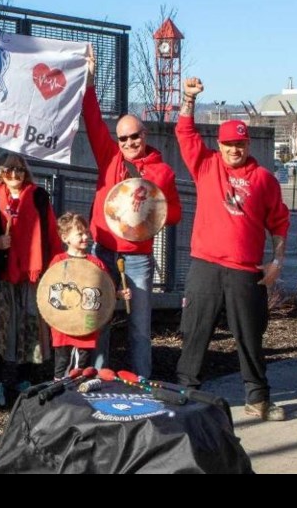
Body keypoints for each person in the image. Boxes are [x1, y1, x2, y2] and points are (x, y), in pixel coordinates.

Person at [174, 77, 290, 421]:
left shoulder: (264, 179)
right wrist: (189, 99)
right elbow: (184, 133)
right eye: (228, 144)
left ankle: (258, 398)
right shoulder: (206, 165)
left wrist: (277, 262)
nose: (233, 150)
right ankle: (185, 394)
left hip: (245, 270)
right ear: (219, 145)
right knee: (195, 332)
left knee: (250, 336)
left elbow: (279, 224)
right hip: (206, 265)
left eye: (239, 143)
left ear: (248, 143)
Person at [82, 50, 182, 379]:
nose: (129, 142)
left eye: (134, 136)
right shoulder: (109, 157)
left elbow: (175, 214)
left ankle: (142, 381)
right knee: (101, 320)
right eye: (123, 138)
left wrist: (149, 216)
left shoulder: (163, 172)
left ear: (145, 135)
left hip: (138, 257)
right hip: (103, 250)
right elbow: (92, 118)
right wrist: (90, 78)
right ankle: (98, 377)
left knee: (140, 326)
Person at [0, 153, 59, 406]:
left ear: (26, 172)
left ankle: (25, 379)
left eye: (19, 169)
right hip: (1, 273)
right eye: (8, 170)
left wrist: (57, 265)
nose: (14, 174)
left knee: (30, 325)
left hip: (31, 271)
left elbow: (51, 233)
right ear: (0, 172)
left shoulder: (39, 197)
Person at [47, 213, 130, 380]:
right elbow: (49, 289)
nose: (85, 237)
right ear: (65, 238)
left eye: (86, 232)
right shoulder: (59, 261)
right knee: (62, 359)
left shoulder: (95, 263)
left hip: (87, 322)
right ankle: (60, 392)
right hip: (64, 322)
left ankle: (77, 392)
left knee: (82, 361)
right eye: (79, 233)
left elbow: (105, 290)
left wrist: (119, 294)